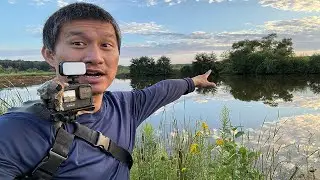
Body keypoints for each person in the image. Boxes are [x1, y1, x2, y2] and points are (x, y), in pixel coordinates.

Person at [0, 2, 215, 180]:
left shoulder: (128, 106)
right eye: (78, 43)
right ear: (49, 55)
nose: (95, 57)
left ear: (118, 56)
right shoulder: (17, 129)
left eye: (106, 45)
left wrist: (194, 81)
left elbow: (165, 89)